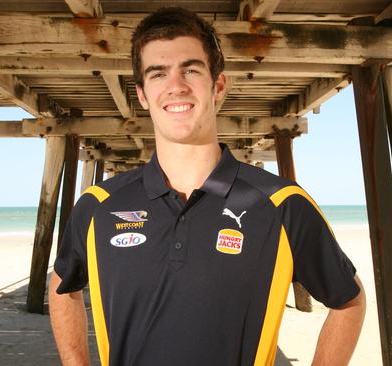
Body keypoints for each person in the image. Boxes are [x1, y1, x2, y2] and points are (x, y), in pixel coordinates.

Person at [49, 7, 365, 366]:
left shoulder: (281, 205)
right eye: (158, 74)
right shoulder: (99, 205)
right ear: (141, 94)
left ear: (218, 85)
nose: (176, 86)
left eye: (191, 70)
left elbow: (348, 301)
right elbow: (62, 286)